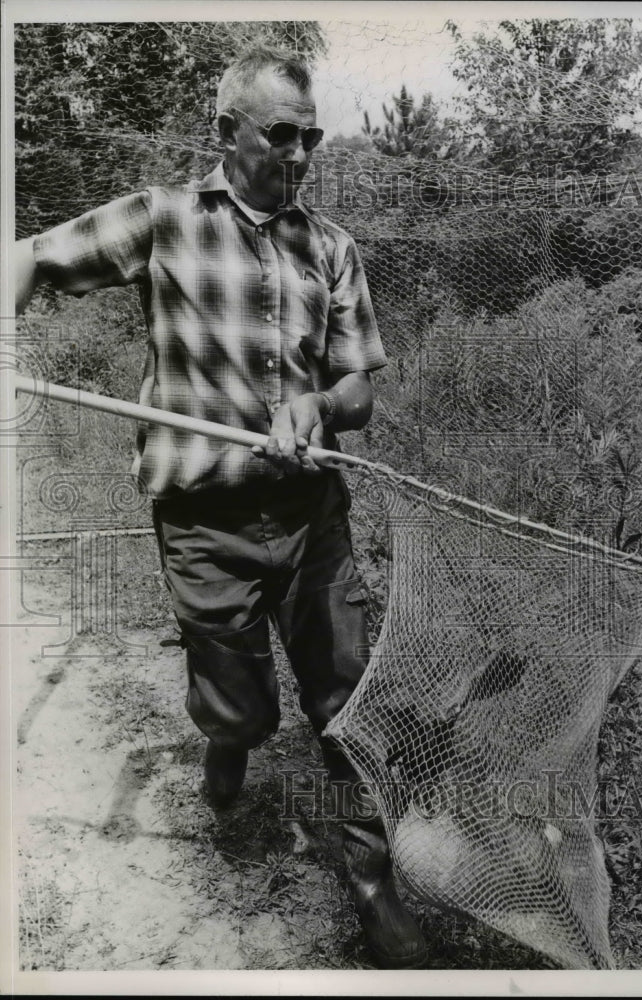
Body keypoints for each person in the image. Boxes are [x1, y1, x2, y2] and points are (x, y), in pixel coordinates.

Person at [15, 45, 427, 970]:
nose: (300, 154)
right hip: (204, 526)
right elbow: (30, 258)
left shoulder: (331, 247)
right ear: (227, 132)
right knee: (240, 709)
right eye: (282, 134)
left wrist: (320, 404)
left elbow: (360, 383)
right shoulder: (162, 221)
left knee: (344, 701)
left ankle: (372, 884)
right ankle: (230, 740)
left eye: (310, 137)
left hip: (312, 518)